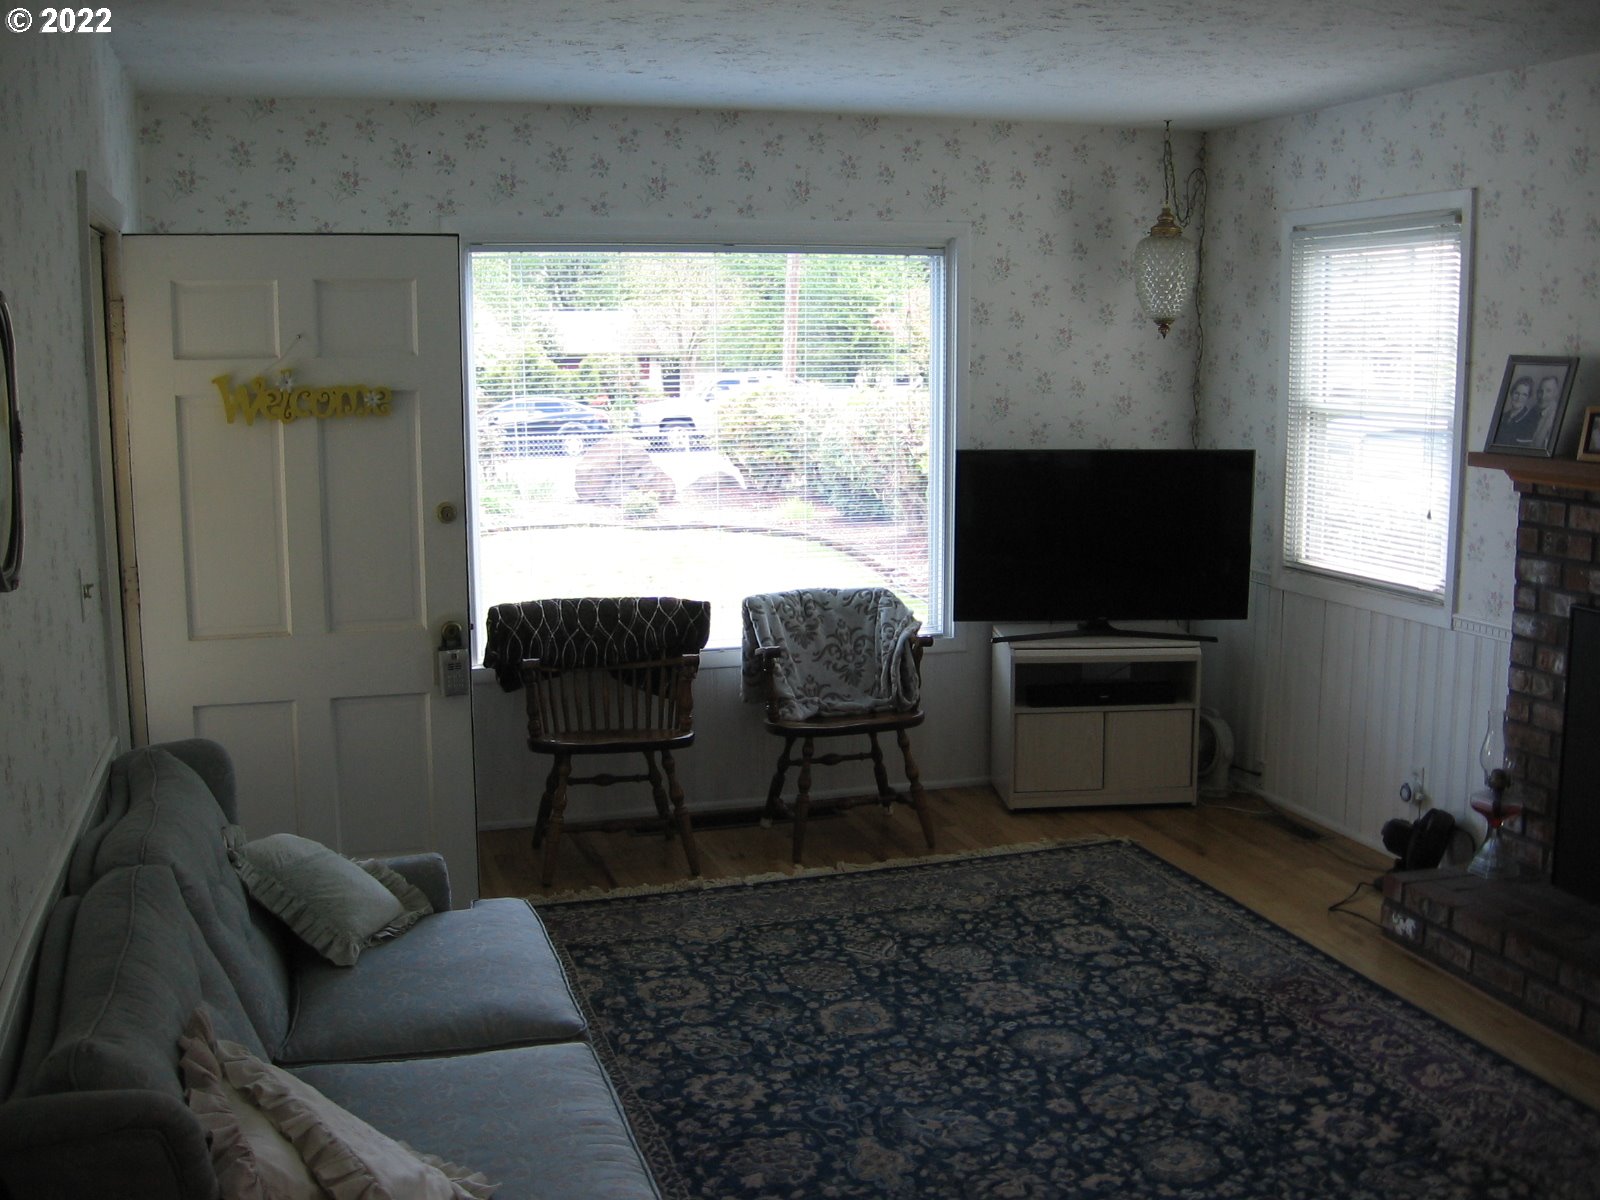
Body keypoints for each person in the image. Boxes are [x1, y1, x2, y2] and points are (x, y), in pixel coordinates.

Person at [1495, 376, 1541, 447]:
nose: (1519, 398)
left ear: (1528, 398)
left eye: (1524, 395)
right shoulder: (1503, 416)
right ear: (1511, 393)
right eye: (1516, 393)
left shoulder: (1530, 420)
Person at [1531, 374, 1564, 448]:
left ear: (1556, 393)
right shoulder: (1533, 410)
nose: (1543, 396)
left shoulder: (1557, 416)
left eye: (1548, 391)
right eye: (1540, 391)